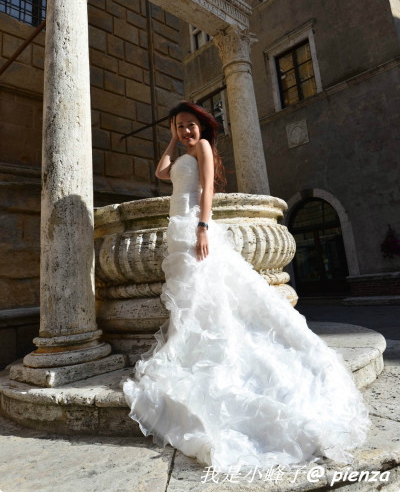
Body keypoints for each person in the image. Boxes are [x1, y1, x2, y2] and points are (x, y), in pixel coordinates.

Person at [123, 101, 370, 473]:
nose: (186, 130)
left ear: (201, 128)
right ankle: (192, 345)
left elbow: (206, 191)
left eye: (190, 125)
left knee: (203, 292)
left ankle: (208, 348)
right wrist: (172, 143)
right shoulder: (182, 151)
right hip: (179, 230)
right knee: (191, 297)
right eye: (179, 126)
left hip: (193, 226)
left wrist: (203, 228)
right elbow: (161, 172)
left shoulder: (203, 148)